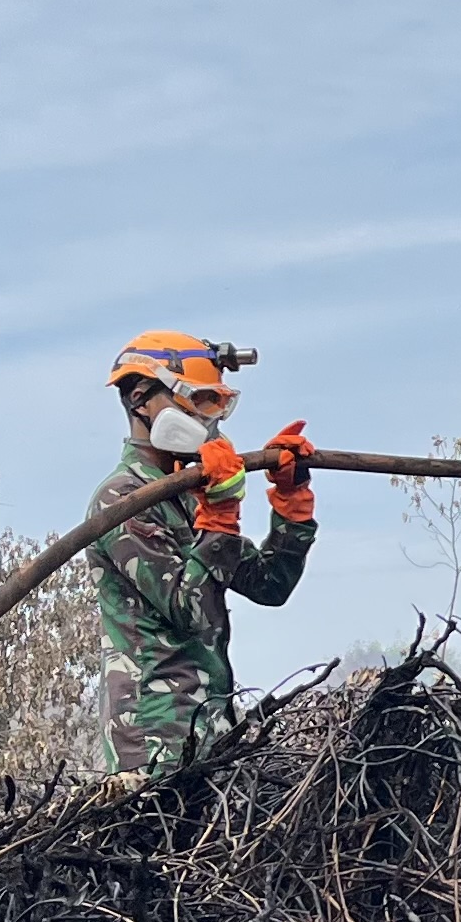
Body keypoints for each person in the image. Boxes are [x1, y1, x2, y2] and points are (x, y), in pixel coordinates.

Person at [92, 332, 317, 786]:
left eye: (216, 405)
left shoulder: (193, 497)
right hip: (154, 741)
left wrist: (290, 507)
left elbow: (270, 585)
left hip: (212, 731)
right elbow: (189, 610)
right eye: (198, 401)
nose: (207, 419)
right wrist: (219, 517)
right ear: (141, 400)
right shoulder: (122, 499)